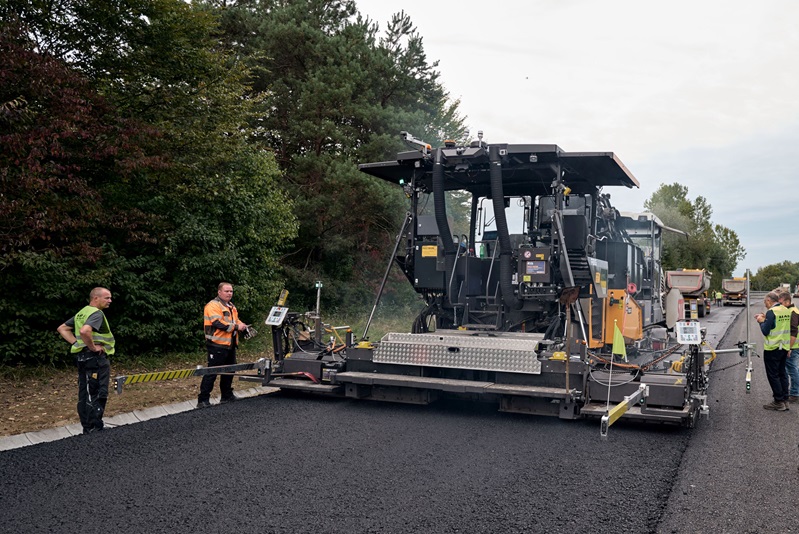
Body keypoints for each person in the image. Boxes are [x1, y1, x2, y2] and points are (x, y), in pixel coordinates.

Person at [56, 287, 114, 434]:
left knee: (84, 391)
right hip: (95, 359)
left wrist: (77, 344)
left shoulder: (82, 313)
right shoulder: (96, 313)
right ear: (96, 298)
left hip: (83, 358)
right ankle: (95, 427)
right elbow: (84, 331)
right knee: (97, 391)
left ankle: (87, 426)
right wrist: (93, 347)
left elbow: (62, 328)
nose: (110, 301)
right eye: (107, 298)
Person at [197, 282, 249, 408]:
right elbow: (217, 323)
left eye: (231, 291)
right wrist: (237, 327)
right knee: (212, 372)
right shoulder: (212, 305)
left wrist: (243, 326)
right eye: (227, 291)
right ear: (219, 292)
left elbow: (235, 320)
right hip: (216, 344)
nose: (229, 293)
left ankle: (226, 395)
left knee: (230, 370)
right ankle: (203, 400)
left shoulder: (231, 306)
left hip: (229, 344)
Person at [754, 291, 792, 411]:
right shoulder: (785, 310)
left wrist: (761, 321)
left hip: (773, 348)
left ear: (769, 301)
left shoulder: (772, 312)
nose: (765, 305)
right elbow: (778, 325)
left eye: (765, 302)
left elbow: (766, 330)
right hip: (784, 347)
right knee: (782, 374)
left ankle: (778, 401)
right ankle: (785, 400)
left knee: (773, 375)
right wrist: (767, 318)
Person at [776, 289, 799, 403]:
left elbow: (793, 331)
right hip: (793, 345)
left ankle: (795, 393)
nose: (780, 306)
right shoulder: (791, 310)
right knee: (789, 369)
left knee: (792, 370)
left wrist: (789, 347)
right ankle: (791, 392)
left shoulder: (792, 312)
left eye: (781, 303)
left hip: (794, 345)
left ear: (786, 302)